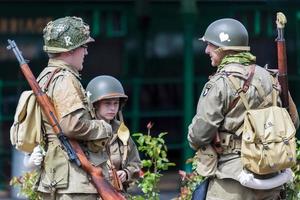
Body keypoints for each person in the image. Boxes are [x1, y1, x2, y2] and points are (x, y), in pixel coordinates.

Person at [187, 18, 299, 200]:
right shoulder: (270, 78)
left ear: (224, 48)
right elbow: (293, 122)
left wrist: (193, 138)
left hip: (233, 179)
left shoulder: (219, 83)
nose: (207, 50)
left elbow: (200, 134)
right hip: (271, 176)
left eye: (210, 45)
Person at [24, 16, 113, 200]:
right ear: (70, 50)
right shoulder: (65, 79)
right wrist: (103, 127)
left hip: (56, 177)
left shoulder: (45, 77)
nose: (86, 52)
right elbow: (71, 125)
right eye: (83, 46)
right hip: (74, 183)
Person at [86, 75, 141, 194]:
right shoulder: (85, 132)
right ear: (94, 105)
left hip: (117, 193)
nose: (112, 108)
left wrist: (126, 173)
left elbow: (135, 163)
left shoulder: (121, 132)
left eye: (115, 103)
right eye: (107, 103)